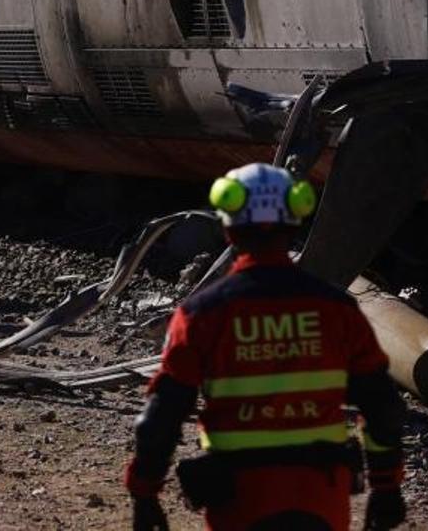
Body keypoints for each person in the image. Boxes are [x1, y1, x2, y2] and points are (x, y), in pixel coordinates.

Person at [125, 163, 406, 531]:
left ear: (228, 229)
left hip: (240, 501)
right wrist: (386, 488)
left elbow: (160, 419)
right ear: (294, 224)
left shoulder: (202, 315)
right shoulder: (336, 310)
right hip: (321, 494)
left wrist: (144, 494)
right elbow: (382, 406)